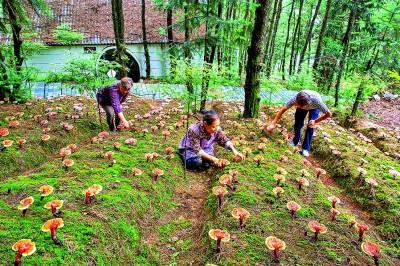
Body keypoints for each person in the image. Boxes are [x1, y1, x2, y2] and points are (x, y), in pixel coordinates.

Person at [265, 90, 332, 157]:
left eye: (299, 106)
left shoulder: (316, 101)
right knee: (298, 124)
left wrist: (315, 121)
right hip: (302, 104)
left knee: (311, 125)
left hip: (314, 108)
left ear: (306, 104)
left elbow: (328, 114)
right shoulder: (294, 100)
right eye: (297, 105)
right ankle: (295, 141)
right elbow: (282, 110)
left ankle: (305, 149)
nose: (297, 106)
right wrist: (273, 123)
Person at [178, 110, 244, 170]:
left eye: (217, 125)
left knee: (207, 164)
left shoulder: (217, 129)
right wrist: (214, 159)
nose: (216, 128)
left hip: (206, 148)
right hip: (189, 149)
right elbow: (197, 149)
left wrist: (234, 151)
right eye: (213, 126)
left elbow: (224, 140)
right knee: (195, 162)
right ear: (205, 123)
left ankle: (206, 163)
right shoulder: (193, 130)